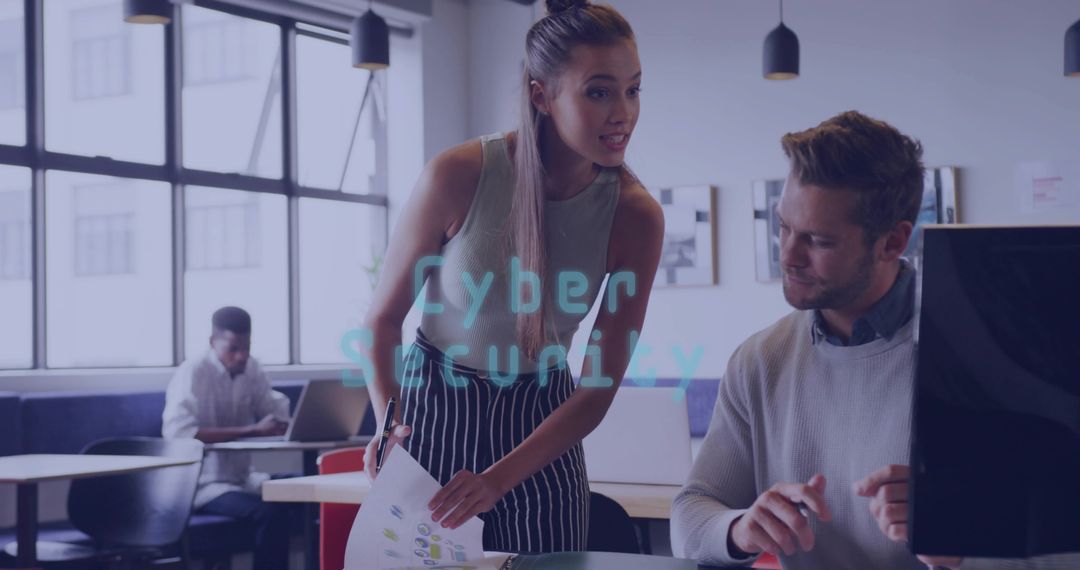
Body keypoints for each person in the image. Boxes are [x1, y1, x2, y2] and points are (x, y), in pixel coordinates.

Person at [670, 111, 1080, 569]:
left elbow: (1063, 553)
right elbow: (691, 512)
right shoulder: (760, 360)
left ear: (893, 242)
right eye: (783, 227)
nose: (788, 255)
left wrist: (959, 551)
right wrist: (740, 528)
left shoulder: (989, 353)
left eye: (818, 241)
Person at [357, 0, 663, 554]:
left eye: (633, 89)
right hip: (431, 424)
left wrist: (499, 479)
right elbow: (381, 321)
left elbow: (597, 389)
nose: (623, 112)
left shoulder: (635, 216)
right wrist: (387, 425)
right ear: (541, 95)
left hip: (545, 432)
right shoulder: (458, 176)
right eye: (599, 91)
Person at [162, 306, 293, 570]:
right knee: (268, 512)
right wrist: (253, 430)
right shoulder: (193, 372)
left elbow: (270, 405)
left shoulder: (251, 367)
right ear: (213, 342)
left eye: (246, 347)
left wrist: (282, 421)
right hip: (203, 486)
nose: (241, 355)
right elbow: (180, 434)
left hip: (244, 479)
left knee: (301, 491)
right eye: (233, 348)